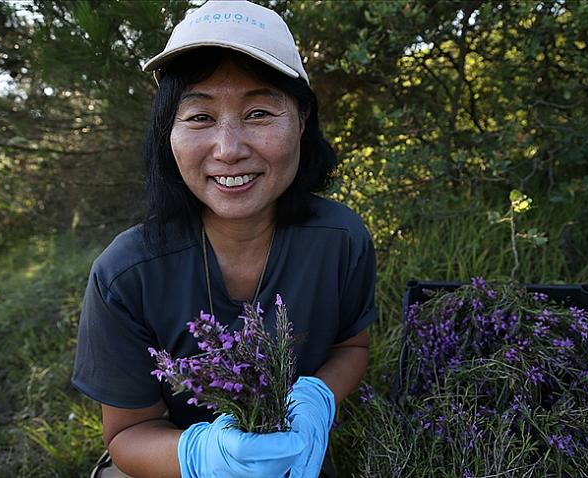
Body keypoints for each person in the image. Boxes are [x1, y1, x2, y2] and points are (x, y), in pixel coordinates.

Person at [71, 1, 378, 477]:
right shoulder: (125, 274)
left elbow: (351, 348)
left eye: (258, 112)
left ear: (301, 119)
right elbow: (128, 433)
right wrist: (204, 457)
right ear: (168, 132)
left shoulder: (341, 240)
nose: (229, 149)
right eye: (199, 117)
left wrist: (316, 398)